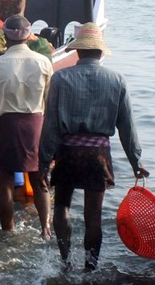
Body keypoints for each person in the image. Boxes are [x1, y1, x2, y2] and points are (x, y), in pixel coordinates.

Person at [38, 22, 149, 271]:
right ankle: (91, 268)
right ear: (100, 53)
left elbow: (51, 125)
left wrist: (43, 163)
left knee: (62, 206)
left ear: (78, 52)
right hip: (97, 155)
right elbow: (127, 127)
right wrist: (136, 162)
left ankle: (65, 262)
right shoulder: (116, 80)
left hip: (67, 152)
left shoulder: (60, 78)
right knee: (93, 217)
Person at [0, 15, 53, 239]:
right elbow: (50, 103)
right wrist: (52, 137)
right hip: (36, 125)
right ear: (29, 36)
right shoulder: (43, 62)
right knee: (40, 180)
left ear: (4, 36)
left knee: (5, 183)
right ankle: (45, 229)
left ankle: (8, 231)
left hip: (5, 127)